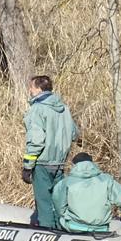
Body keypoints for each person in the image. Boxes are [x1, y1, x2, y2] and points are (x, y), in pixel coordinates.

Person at [21, 75, 80, 229]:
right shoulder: (64, 109)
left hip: (42, 163)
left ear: (39, 89)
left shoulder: (37, 109)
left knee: (44, 202)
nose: (30, 90)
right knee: (59, 201)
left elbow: (36, 140)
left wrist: (28, 165)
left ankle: (46, 234)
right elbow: (75, 134)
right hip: (60, 163)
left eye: (32, 87)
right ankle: (62, 233)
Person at [51, 153, 121, 234]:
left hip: (73, 226)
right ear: (92, 163)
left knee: (61, 221)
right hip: (100, 228)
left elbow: (58, 203)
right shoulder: (106, 180)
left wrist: (65, 215)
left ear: (74, 165)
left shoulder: (66, 182)